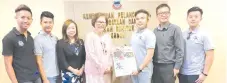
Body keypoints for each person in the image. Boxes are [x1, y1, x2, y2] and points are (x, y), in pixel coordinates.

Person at [2, 4, 41, 83]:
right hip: (23, 80)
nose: (26, 20)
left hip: (36, 77)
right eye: (22, 17)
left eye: (28, 18)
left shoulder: (30, 38)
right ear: (16, 18)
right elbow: (8, 65)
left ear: (31, 20)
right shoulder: (8, 38)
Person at [179, 6, 215, 83]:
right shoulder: (182, 34)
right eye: (190, 16)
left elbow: (210, 56)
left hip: (196, 74)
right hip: (182, 73)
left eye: (196, 16)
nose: (193, 19)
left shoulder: (204, 35)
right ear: (187, 18)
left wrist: (204, 74)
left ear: (200, 18)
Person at [152, 3, 184, 83]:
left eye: (166, 13)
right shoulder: (154, 31)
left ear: (169, 14)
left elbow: (180, 50)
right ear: (157, 16)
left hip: (169, 66)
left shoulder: (175, 29)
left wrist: (177, 67)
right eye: (161, 13)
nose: (163, 15)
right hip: (155, 66)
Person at [84, 13, 113, 83]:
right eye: (99, 22)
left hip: (106, 71)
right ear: (94, 22)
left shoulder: (107, 37)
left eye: (103, 22)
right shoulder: (89, 36)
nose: (101, 24)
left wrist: (109, 66)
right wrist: (101, 67)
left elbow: (110, 53)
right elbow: (91, 54)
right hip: (93, 70)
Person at [34, 11, 61, 83]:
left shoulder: (55, 38)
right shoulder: (37, 39)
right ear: (41, 23)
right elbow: (38, 61)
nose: (48, 25)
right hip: (48, 77)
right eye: (45, 22)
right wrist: (45, 79)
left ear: (53, 23)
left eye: (50, 22)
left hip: (58, 74)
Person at [130, 9, 156, 83]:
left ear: (147, 20)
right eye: (137, 19)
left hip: (144, 71)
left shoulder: (149, 34)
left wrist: (140, 69)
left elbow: (150, 54)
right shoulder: (134, 34)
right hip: (133, 70)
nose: (139, 20)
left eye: (142, 18)